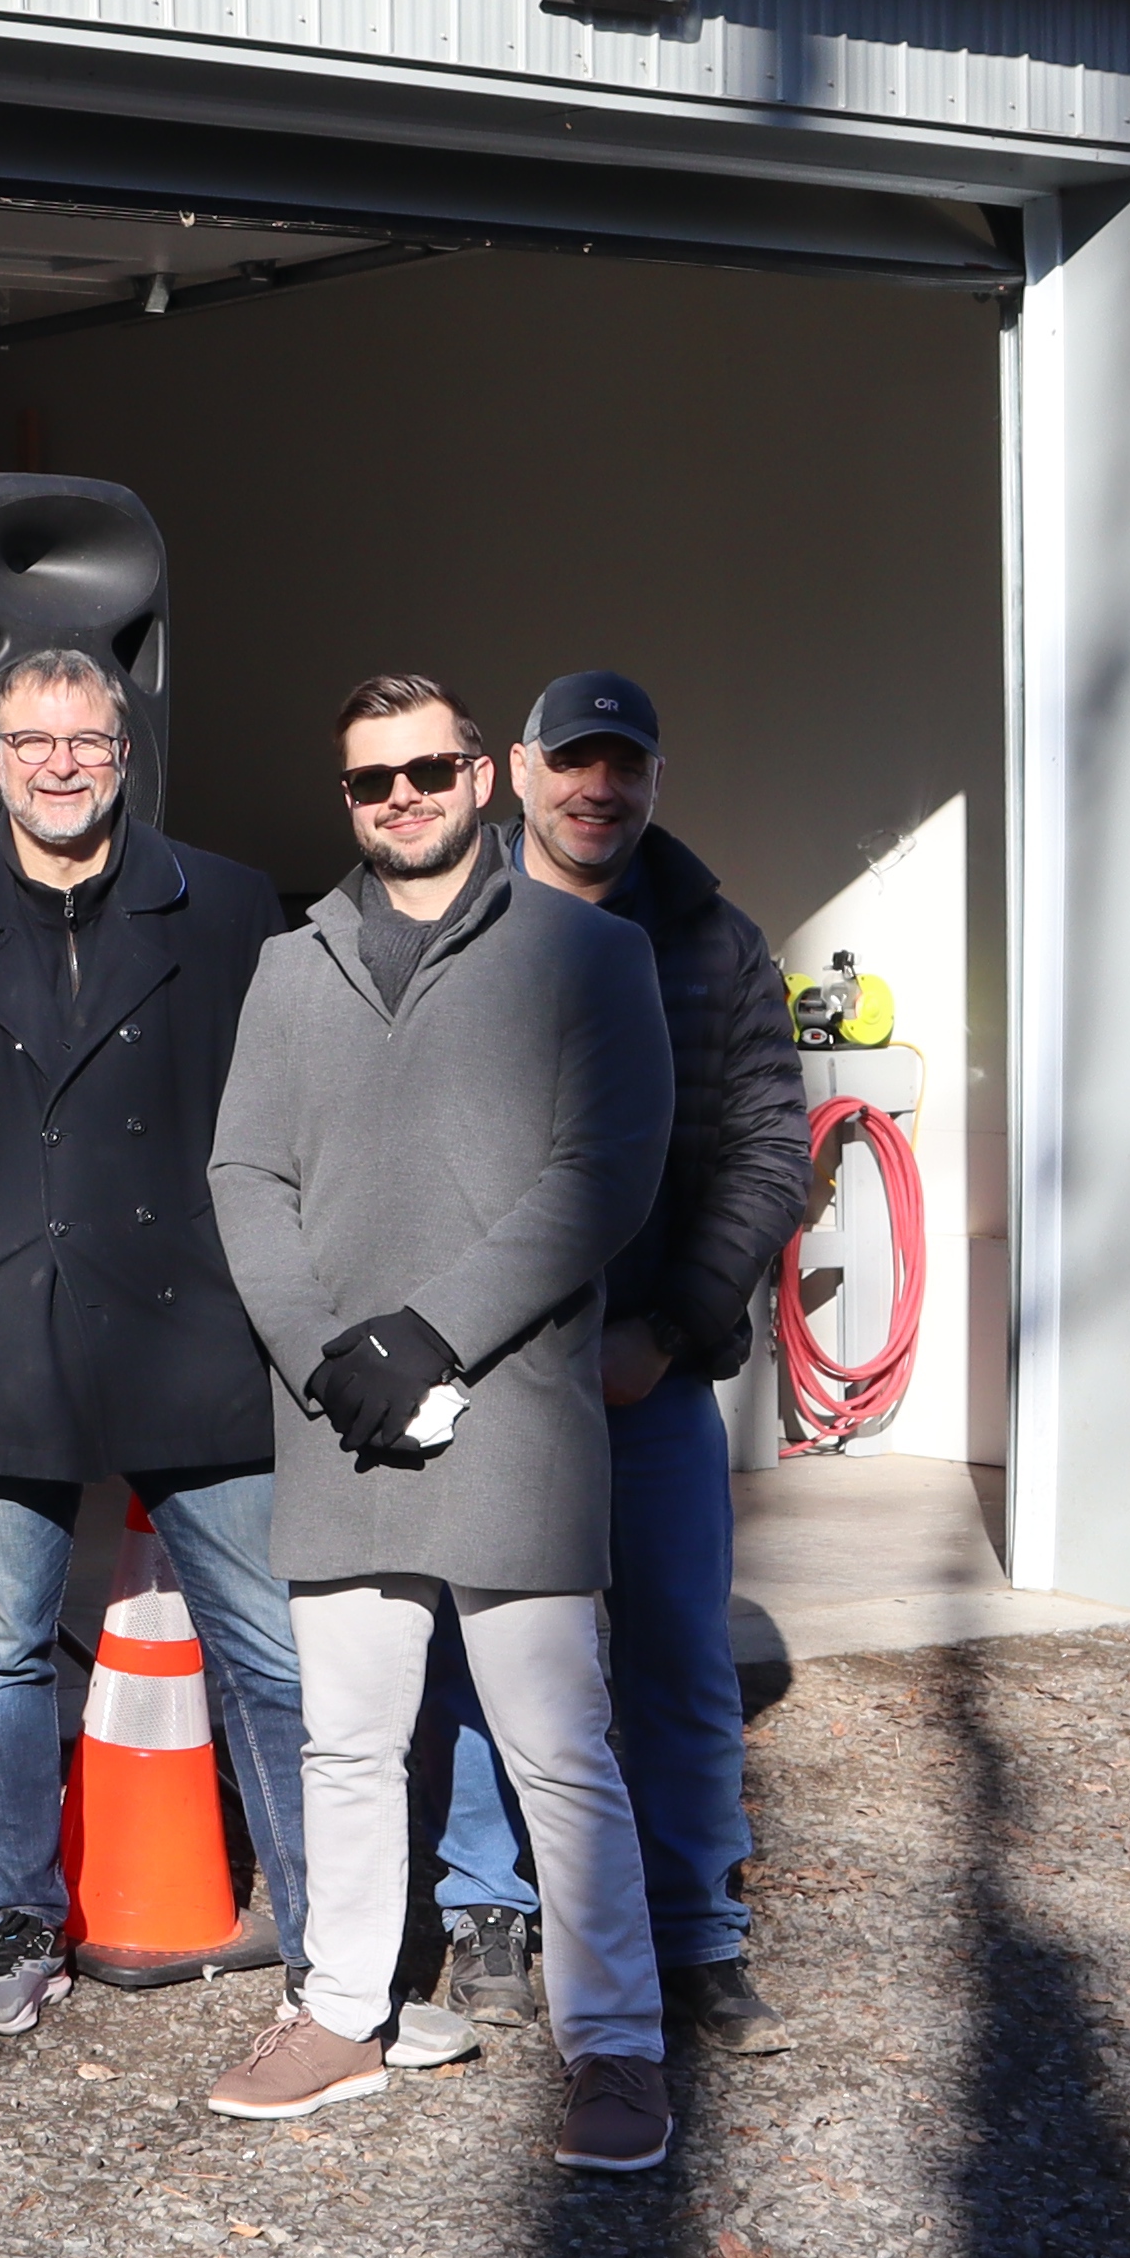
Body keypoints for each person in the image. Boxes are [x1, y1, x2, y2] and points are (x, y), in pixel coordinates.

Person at [201, 674, 682, 2176]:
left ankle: (614, 2043)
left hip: (516, 1421)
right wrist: (321, 1353)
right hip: (335, 1418)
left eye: (425, 771)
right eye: (369, 782)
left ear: (484, 777)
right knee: (346, 1739)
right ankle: (343, 2008)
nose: (399, 799)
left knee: (559, 1746)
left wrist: (435, 1332)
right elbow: (243, 1178)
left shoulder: (590, 956)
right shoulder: (292, 969)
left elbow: (607, 1169)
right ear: (345, 801)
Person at [0, 645, 316, 2040]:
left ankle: (326, 1921)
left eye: (89, 738)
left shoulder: (233, 905)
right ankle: (22, 1902)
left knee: (268, 1646)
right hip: (0, 1331)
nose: (61, 762)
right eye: (32, 740)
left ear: (126, 755)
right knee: (2, 1652)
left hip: (195, 1327)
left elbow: (295, 1119)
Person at [419, 671, 807, 2053]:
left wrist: (669, 1332)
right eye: (572, 763)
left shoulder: (714, 945)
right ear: (516, 772)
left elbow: (770, 1159)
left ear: (654, 778)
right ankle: (485, 1912)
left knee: (680, 1657)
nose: (599, 789)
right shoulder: (446, 927)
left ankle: (696, 1928)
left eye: (624, 766)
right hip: (484, 1380)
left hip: (649, 1383)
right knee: (485, 1661)